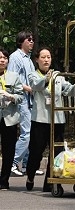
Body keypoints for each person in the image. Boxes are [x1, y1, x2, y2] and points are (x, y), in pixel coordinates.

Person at [25, 47, 75, 192]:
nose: (46, 60)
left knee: (56, 152)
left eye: (48, 57)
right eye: (43, 57)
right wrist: (46, 79)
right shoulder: (33, 75)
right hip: (40, 120)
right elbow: (36, 86)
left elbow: (68, 89)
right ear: (37, 59)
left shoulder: (58, 75)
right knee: (36, 152)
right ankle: (30, 176)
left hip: (57, 120)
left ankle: (50, 182)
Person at [7, 31, 44, 176]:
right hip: (22, 99)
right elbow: (12, 79)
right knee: (26, 133)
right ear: (21, 41)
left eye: (33, 40)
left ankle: (29, 166)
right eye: (29, 40)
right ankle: (13, 163)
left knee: (32, 133)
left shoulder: (28, 59)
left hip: (30, 100)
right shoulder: (15, 57)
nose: (32, 42)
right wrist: (28, 88)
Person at [0, 47, 24, 190]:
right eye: (0, 57)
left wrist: (11, 96)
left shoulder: (14, 76)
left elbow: (21, 96)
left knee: (8, 150)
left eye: (4, 58)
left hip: (9, 118)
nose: (2, 60)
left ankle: (4, 180)